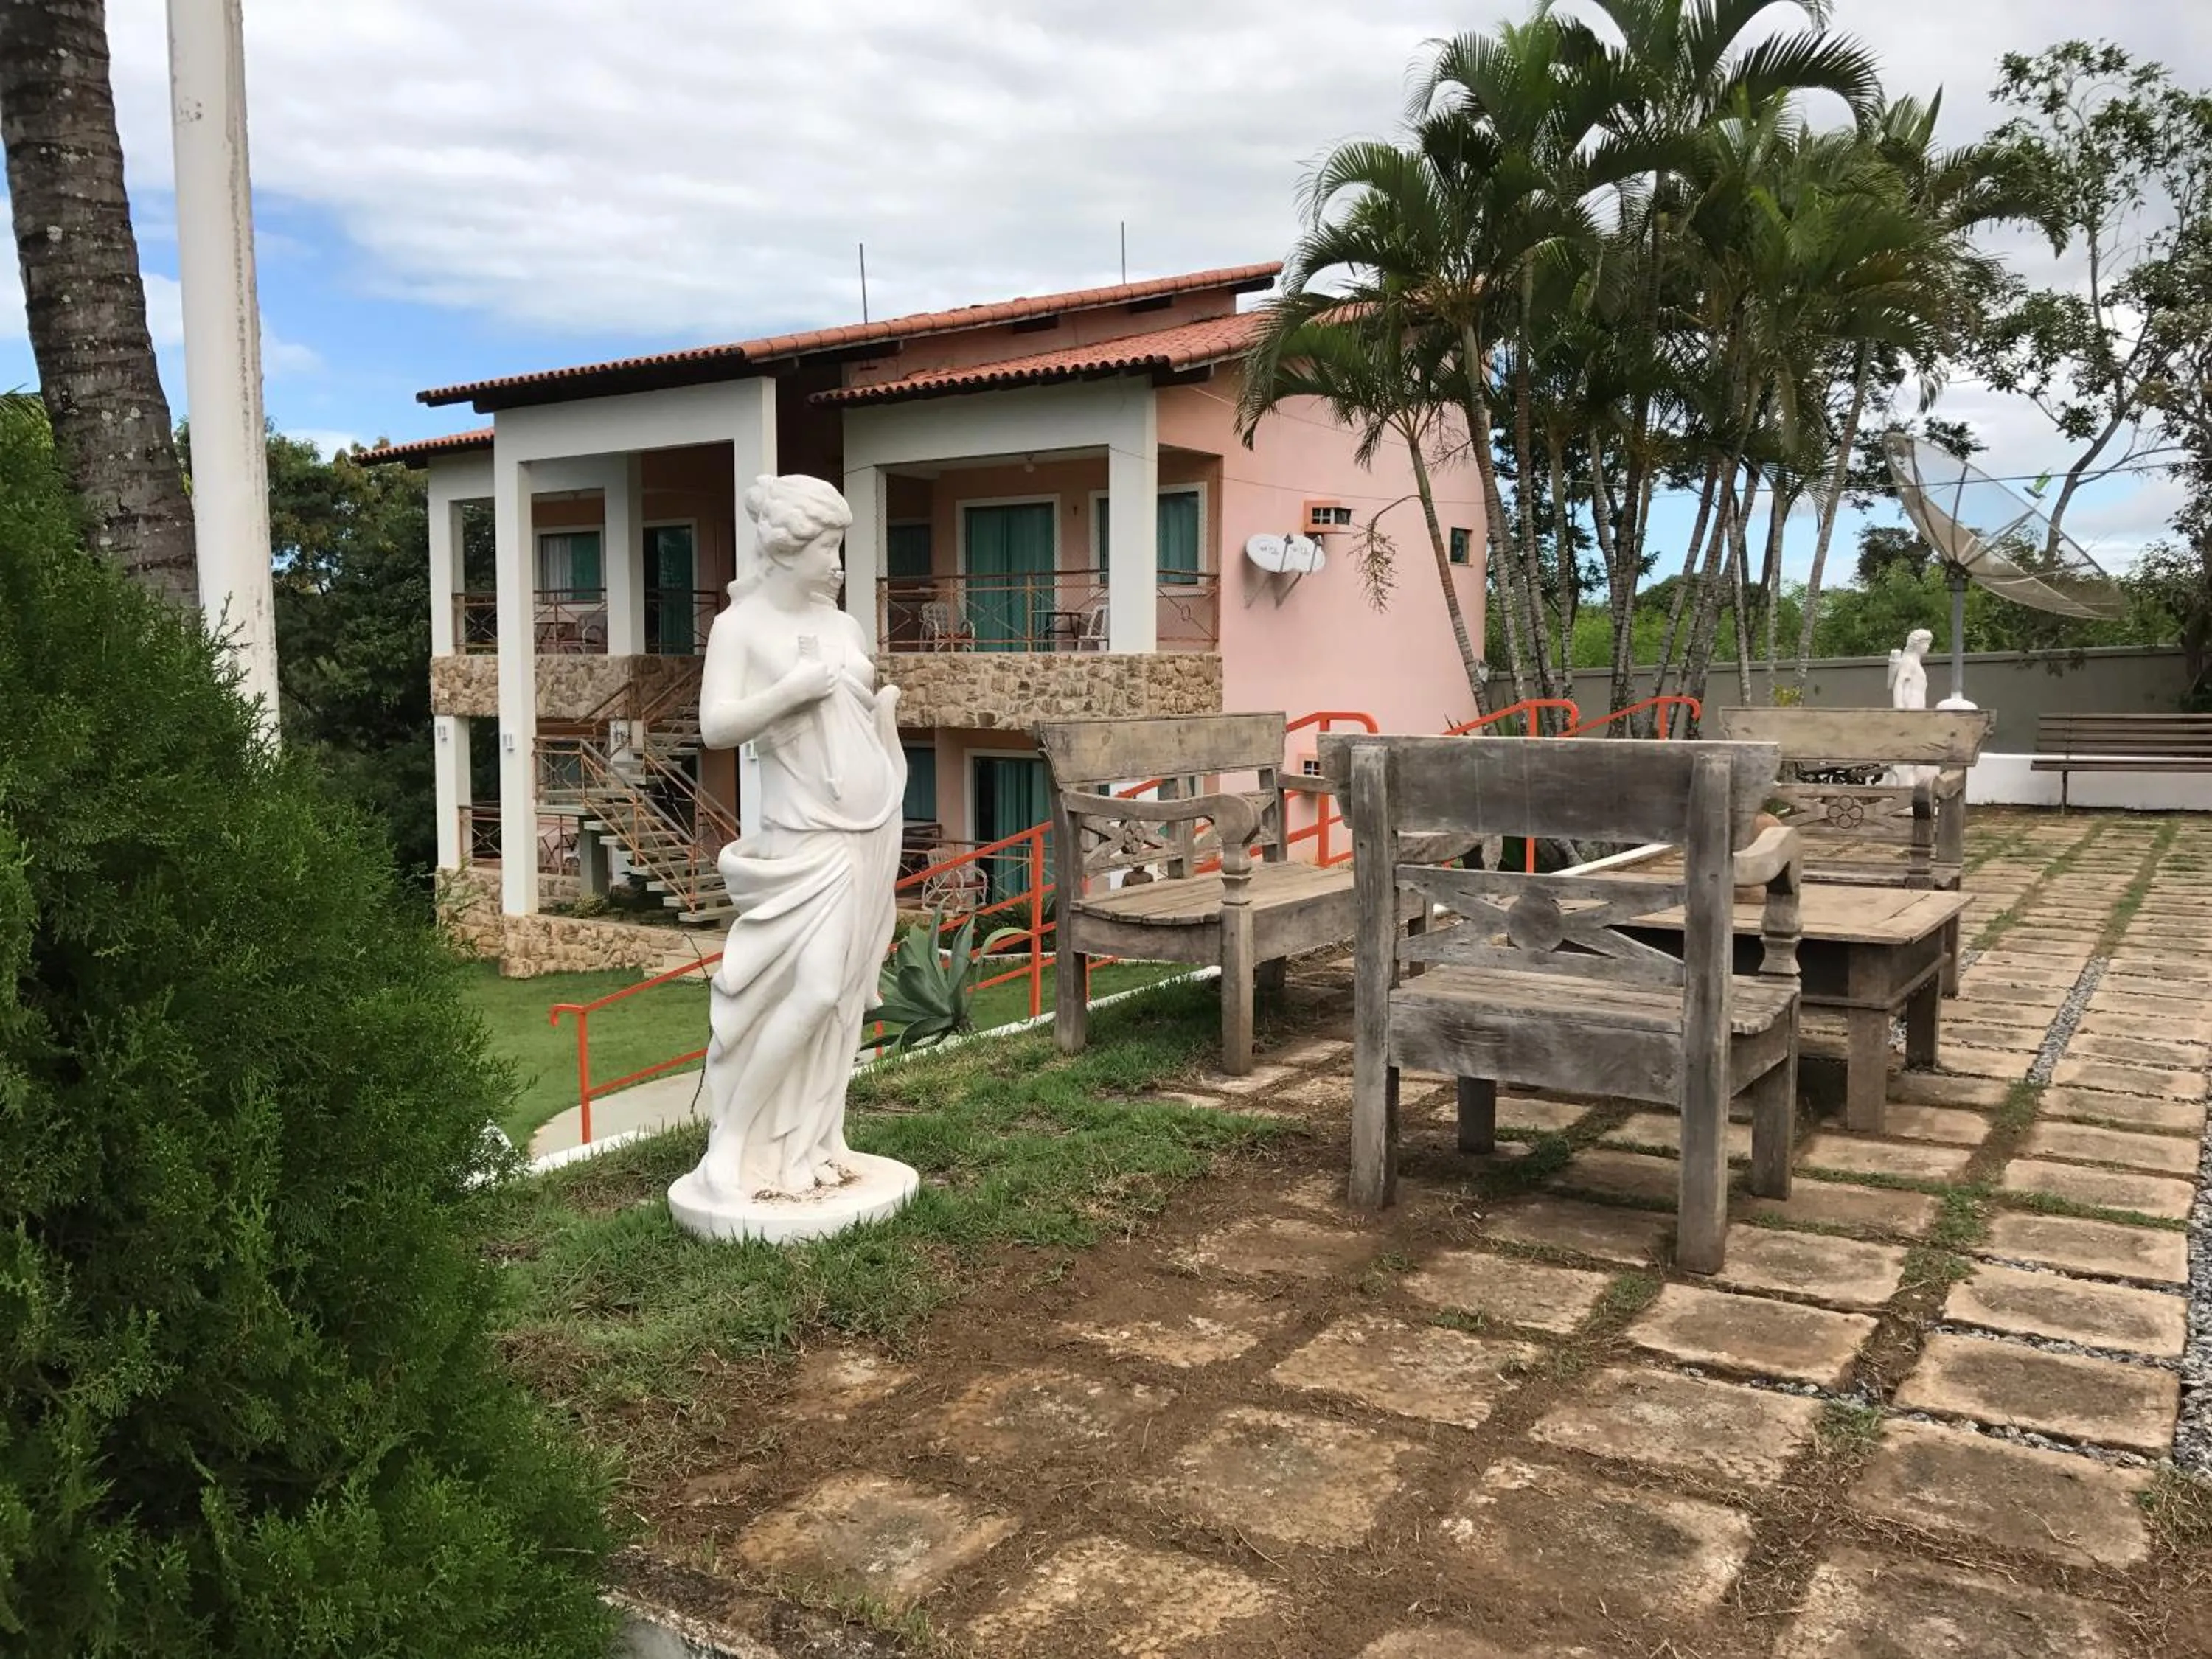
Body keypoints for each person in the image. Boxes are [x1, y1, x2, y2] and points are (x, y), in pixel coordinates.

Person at [683, 475, 905, 1200]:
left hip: (870, 828)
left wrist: (883, 720)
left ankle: (817, 1133)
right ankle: (733, 1145)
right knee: (812, 989)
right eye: (828, 546)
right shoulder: (739, 628)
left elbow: (856, 714)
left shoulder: (842, 626)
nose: (839, 563)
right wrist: (791, 692)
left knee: (844, 995)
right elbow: (716, 727)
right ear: (787, 549)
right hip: (804, 838)